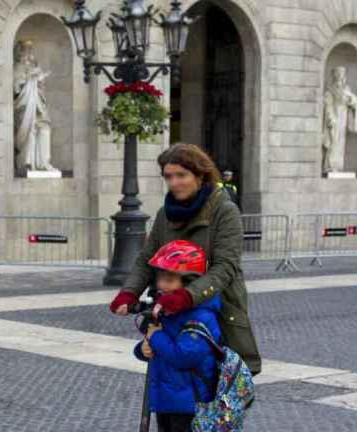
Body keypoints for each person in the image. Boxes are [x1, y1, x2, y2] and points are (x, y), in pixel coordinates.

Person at [111, 142, 262, 376]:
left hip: (212, 309)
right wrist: (129, 292)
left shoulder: (224, 211)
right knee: (169, 377)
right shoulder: (165, 214)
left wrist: (186, 296)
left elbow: (226, 267)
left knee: (206, 388)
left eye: (181, 175)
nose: (174, 183)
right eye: (168, 176)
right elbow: (146, 259)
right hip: (170, 308)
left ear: (200, 175)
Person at [135, 240, 222, 432]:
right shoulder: (166, 313)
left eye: (170, 278)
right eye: (161, 277)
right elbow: (154, 342)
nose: (162, 283)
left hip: (188, 400)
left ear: (189, 282)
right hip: (166, 398)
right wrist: (143, 348)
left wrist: (155, 339)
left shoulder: (203, 315)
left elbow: (184, 355)